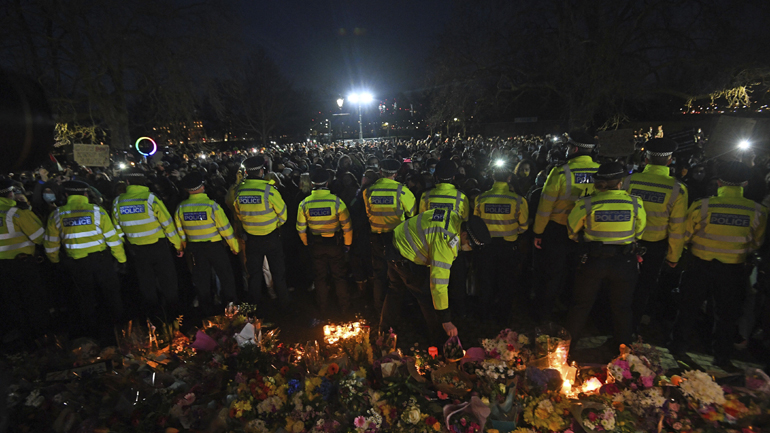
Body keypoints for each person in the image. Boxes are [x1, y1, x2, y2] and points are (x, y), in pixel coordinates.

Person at [671, 161, 767, 367]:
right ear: (746, 183)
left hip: (700, 266)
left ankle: (678, 348)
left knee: (688, 309)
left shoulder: (702, 205)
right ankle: (722, 357)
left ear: (719, 182)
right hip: (733, 270)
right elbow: (756, 243)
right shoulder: (758, 211)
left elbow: (685, 235)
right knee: (727, 315)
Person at [565, 162, 646, 350]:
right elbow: (639, 232)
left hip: (594, 260)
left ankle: (566, 349)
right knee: (622, 308)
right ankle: (624, 354)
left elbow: (571, 230)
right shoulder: (634, 202)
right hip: (624, 262)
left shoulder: (587, 203)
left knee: (581, 306)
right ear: (621, 182)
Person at [380, 210, 490, 342]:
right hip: (403, 255)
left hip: (395, 242)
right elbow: (439, 285)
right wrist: (446, 319)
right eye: (470, 245)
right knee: (427, 296)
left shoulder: (454, 217)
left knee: (395, 290)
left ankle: (385, 332)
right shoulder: (446, 244)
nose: (468, 249)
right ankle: (439, 340)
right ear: (464, 234)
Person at [532, 131, 600, 321]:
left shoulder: (560, 171)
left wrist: (538, 231)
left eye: (569, 147)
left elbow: (546, 205)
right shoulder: (601, 171)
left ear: (575, 149)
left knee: (552, 275)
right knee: (577, 274)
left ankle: (544, 315)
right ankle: (570, 315)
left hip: (558, 230)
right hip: (587, 231)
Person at [622, 138, 688, 329]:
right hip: (655, 247)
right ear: (669, 160)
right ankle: (631, 328)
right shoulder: (678, 189)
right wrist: (674, 256)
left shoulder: (629, 180)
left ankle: (613, 322)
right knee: (644, 288)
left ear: (646, 159)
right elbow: (677, 227)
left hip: (626, 242)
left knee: (621, 285)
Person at [44, 180, 126, 336]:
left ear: (66, 195)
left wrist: (56, 261)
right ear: (86, 194)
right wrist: (121, 259)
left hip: (77, 263)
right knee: (112, 296)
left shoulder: (57, 215)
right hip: (101, 260)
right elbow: (112, 239)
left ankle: (92, 334)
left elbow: (51, 245)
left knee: (85, 298)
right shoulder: (97, 211)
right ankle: (120, 330)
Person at [111, 168, 183, 318]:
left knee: (146, 284)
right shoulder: (150, 199)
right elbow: (167, 224)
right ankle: (175, 316)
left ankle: (154, 319)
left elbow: (117, 231)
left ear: (127, 182)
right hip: (159, 247)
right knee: (168, 282)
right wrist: (177, 245)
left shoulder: (117, 202)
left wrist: (128, 246)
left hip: (137, 251)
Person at [174, 172, 240, 316]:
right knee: (226, 277)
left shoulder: (181, 207)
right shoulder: (211, 206)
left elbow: (180, 232)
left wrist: (181, 248)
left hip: (196, 250)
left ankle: (207, 312)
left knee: (202, 281)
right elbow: (225, 228)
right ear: (202, 187)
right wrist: (234, 246)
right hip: (214, 247)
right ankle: (231, 309)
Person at [233, 156, 290, 312]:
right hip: (271, 238)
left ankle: (255, 308)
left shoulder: (239, 191)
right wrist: (274, 224)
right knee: (278, 273)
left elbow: (238, 214)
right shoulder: (269, 190)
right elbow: (283, 215)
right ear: (261, 171)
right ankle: (284, 305)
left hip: (251, 240)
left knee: (254, 275)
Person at [474, 164, 529, 321]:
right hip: (508, 247)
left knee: (486, 281)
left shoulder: (481, 198)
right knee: (506, 282)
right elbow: (524, 226)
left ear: (493, 177)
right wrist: (512, 233)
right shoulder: (519, 200)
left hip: (486, 247)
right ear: (509, 178)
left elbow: (476, 224)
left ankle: (484, 315)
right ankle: (503, 316)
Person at [296, 170, 353, 317]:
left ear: (313, 184)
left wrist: (306, 243)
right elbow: (347, 225)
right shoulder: (336, 201)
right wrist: (347, 244)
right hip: (335, 244)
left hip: (316, 245)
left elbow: (300, 228)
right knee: (339, 276)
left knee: (319, 277)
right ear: (327, 183)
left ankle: (322, 308)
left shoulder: (305, 203)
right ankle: (344, 307)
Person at [363, 158, 417, 313]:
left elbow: (369, 212)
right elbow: (412, 213)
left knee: (379, 274)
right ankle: (401, 307)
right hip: (396, 238)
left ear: (380, 171)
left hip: (377, 237)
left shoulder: (369, 190)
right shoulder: (401, 190)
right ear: (396, 173)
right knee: (400, 274)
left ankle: (379, 306)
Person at [419, 159, 471, 316]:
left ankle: (437, 314)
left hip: (431, 246)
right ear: (454, 177)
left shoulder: (425, 196)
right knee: (457, 282)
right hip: (453, 246)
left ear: (436, 177)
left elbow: (421, 220)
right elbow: (465, 221)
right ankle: (460, 314)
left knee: (435, 282)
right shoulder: (461, 197)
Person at [0, 178, 50, 341]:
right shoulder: (16, 213)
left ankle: (23, 337)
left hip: (2, 268)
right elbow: (39, 237)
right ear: (10, 193)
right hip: (23, 265)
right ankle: (41, 336)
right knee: (33, 301)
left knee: (12, 302)